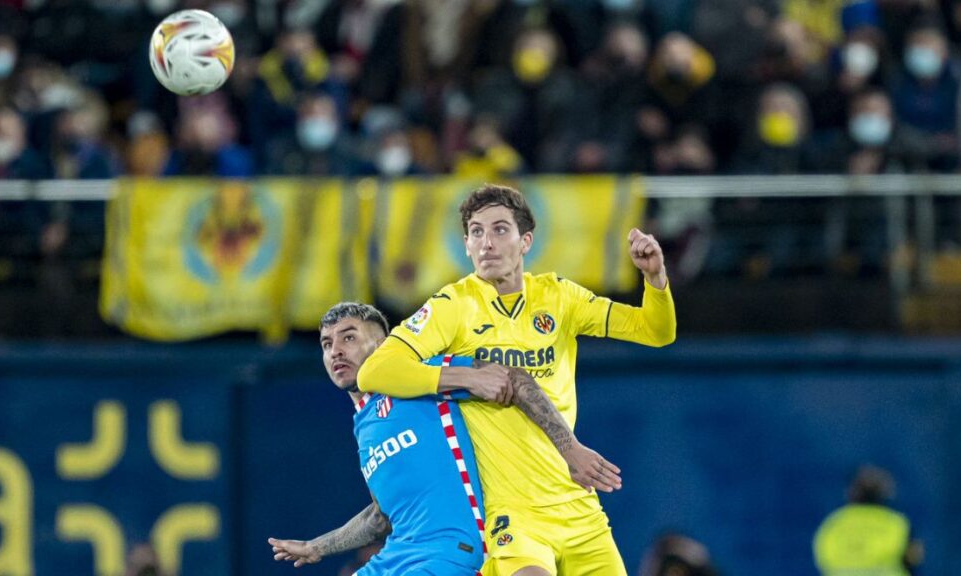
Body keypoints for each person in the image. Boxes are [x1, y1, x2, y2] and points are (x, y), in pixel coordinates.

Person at [358, 184, 676, 576]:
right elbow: (374, 371)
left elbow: (655, 331)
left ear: (526, 241)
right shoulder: (454, 306)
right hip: (511, 515)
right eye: (476, 232)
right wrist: (464, 378)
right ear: (466, 244)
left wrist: (655, 278)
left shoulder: (560, 297)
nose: (486, 243)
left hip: (578, 508)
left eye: (499, 230)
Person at [269, 302, 618, 574]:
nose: (335, 352)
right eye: (327, 344)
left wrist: (570, 448)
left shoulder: (421, 377)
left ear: (384, 343)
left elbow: (514, 378)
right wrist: (318, 547)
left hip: (452, 552)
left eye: (349, 337)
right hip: (398, 555)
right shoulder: (365, 425)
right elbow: (382, 517)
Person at [813, 465, 924, 576]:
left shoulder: (832, 523)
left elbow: (822, 557)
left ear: (851, 492)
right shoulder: (896, 523)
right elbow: (914, 558)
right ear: (883, 492)